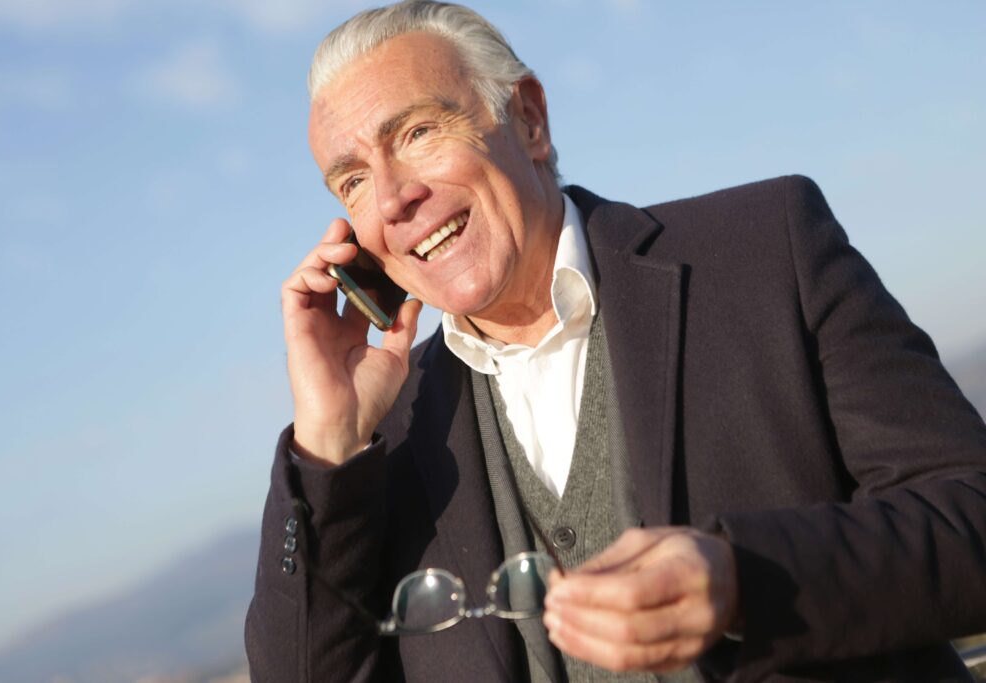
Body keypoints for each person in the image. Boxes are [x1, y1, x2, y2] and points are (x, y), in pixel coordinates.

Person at [245, 2, 986, 681]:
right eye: (351, 182)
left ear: (529, 119)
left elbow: (971, 516)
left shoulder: (765, 250)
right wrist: (329, 442)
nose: (393, 200)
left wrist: (744, 578)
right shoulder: (387, 440)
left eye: (416, 133)